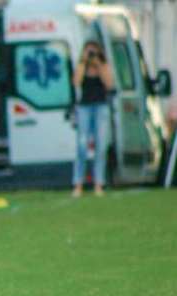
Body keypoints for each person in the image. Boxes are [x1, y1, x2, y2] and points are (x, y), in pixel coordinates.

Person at [72, 40, 115, 197]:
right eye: (89, 51)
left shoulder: (103, 64)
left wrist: (98, 63)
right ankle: (78, 184)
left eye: (93, 51)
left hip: (101, 107)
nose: (91, 55)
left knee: (101, 146)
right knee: (82, 145)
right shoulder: (81, 65)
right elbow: (76, 82)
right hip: (85, 107)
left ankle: (99, 184)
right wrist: (84, 62)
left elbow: (109, 84)